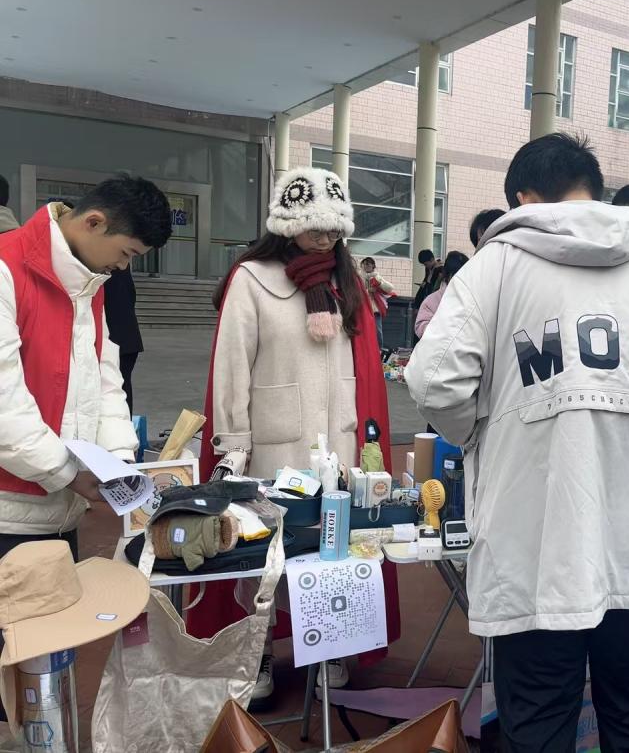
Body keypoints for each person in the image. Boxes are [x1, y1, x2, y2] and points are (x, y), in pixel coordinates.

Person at [406, 132, 629, 751]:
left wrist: (484, 429)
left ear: (522, 198)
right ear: (594, 187)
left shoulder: (495, 266)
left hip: (534, 550)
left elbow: (433, 381)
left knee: (537, 724)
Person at [197, 166, 396, 702]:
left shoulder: (346, 281)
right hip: (273, 445)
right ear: (287, 223)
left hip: (340, 444)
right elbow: (232, 367)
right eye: (314, 225)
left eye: (334, 227)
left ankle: (330, 647)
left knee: (333, 551)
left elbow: (362, 367)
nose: (325, 236)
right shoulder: (251, 278)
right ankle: (257, 652)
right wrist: (233, 444)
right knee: (264, 556)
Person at [0, 174, 170, 559]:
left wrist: (119, 458)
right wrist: (67, 473)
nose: (123, 266)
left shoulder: (88, 282)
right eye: (126, 252)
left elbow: (105, 379)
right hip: (9, 513)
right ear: (94, 222)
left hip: (62, 511)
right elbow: (5, 405)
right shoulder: (6, 267)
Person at [104, 266, 144, 413]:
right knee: (121, 388)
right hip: (127, 337)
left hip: (115, 339)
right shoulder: (118, 266)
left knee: (114, 391)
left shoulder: (105, 266)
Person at [414, 250, 468, 338]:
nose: (426, 266)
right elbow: (422, 328)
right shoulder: (432, 301)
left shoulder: (439, 269)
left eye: (426, 264)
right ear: (449, 276)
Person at [360, 256, 395, 350]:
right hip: (362, 308)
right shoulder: (360, 278)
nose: (366, 266)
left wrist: (379, 284)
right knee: (364, 330)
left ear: (373, 266)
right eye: (364, 264)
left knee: (377, 330)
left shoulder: (377, 277)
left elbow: (390, 288)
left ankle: (379, 349)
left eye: (368, 264)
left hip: (375, 308)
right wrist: (367, 291)